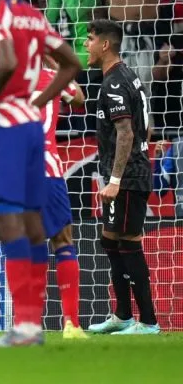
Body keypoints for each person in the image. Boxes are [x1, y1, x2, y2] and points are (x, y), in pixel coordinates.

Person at [0, 0, 80, 347]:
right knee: (34, 219)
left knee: (4, 218)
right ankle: (32, 326)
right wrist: (38, 102)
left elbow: (5, 61)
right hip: (34, 129)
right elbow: (72, 63)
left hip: (6, 127)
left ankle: (25, 327)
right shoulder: (34, 16)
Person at [0, 62, 88, 339]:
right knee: (62, 241)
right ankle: (71, 325)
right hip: (46, 167)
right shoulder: (53, 75)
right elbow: (79, 99)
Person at [84, 20, 160, 335]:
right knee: (111, 241)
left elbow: (126, 133)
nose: (85, 44)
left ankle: (149, 322)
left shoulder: (114, 83)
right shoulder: (127, 76)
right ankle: (123, 315)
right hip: (127, 173)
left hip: (128, 177)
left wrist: (115, 179)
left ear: (105, 44)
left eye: (89, 39)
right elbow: (147, 127)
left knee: (128, 243)